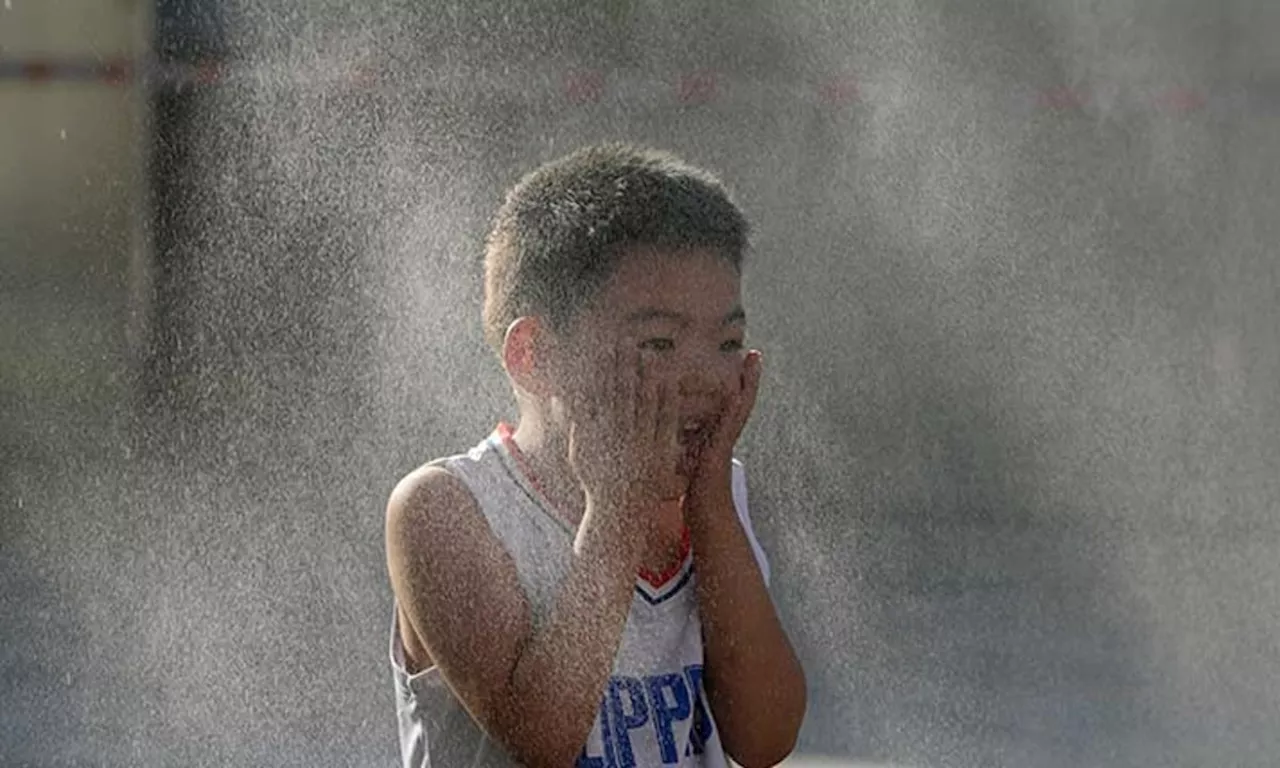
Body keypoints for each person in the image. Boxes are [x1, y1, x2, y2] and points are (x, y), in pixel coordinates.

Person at [385, 143, 807, 767]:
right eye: (659, 342)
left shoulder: (714, 500)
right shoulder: (448, 510)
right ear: (535, 354)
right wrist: (615, 508)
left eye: (728, 342)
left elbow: (765, 738)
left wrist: (712, 504)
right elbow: (544, 741)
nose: (705, 379)